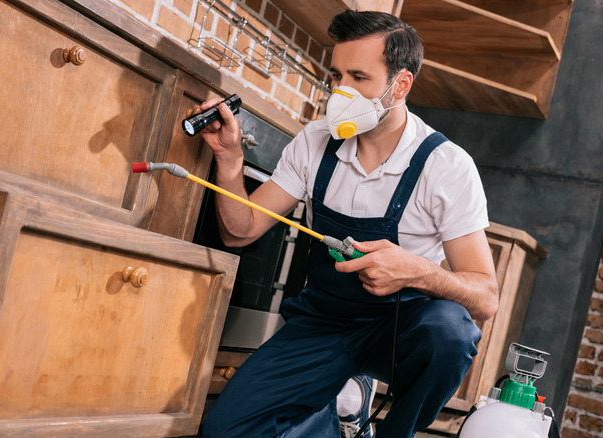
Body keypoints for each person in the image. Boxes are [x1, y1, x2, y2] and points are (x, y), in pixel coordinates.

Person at [199, 10, 499, 438]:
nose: (341, 91)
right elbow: (240, 230)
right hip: (323, 322)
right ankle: (334, 410)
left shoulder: (446, 166)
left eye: (359, 78)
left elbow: (486, 298)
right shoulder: (314, 142)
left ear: (400, 85)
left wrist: (418, 270)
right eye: (337, 76)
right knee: (223, 432)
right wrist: (229, 160)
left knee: (451, 332)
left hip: (401, 329)